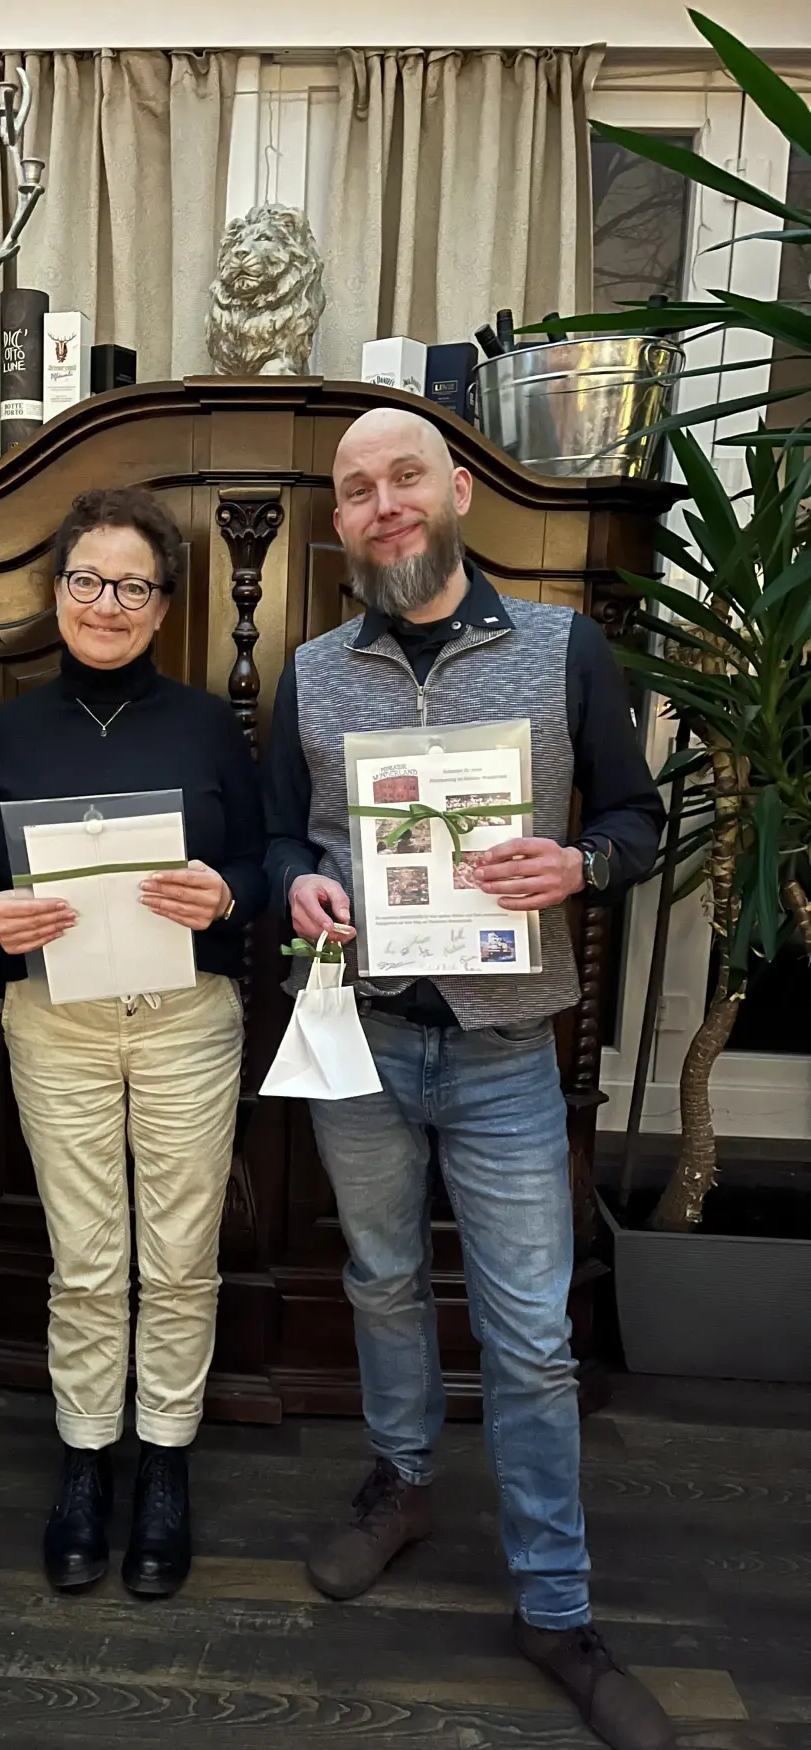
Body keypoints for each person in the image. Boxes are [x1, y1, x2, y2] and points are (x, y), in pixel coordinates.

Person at [262, 409, 672, 1750]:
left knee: (532, 1339)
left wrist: (579, 863)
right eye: (355, 489)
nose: (381, 503)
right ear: (339, 519)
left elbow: (635, 821)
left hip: (504, 1050)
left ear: (457, 495)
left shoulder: (562, 648)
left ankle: (556, 1606)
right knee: (380, 1280)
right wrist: (296, 882)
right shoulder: (313, 672)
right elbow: (278, 838)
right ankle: (402, 1479)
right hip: (362, 1038)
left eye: (404, 478)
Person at [0, 486, 267, 1598]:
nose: (107, 603)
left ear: (163, 606)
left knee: (181, 1255)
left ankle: (166, 1461)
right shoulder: (1, 731)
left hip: (186, 1018)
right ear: (56, 591)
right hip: (56, 1023)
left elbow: (266, 860)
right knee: (85, 1259)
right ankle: (86, 1458)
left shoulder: (209, 725)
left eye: (132, 586)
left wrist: (226, 892)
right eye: (87, 580)